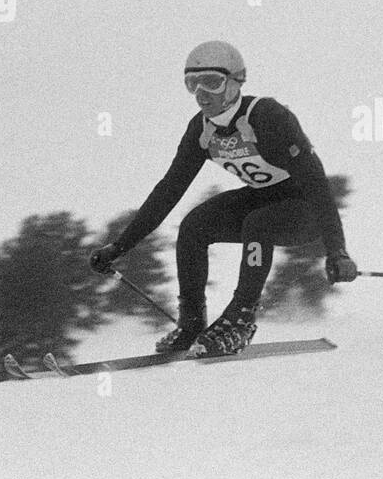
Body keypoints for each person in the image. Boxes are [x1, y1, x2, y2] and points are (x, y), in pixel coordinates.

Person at [89, 41, 357, 357]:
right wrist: (121, 246)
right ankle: (190, 323)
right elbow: (167, 192)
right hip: (264, 200)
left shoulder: (269, 117)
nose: (202, 93)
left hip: (304, 211)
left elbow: (317, 185)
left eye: (212, 82)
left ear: (234, 83)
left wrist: (337, 250)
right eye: (192, 83)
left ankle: (241, 319)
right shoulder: (200, 130)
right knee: (194, 225)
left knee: (259, 222)